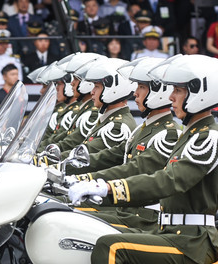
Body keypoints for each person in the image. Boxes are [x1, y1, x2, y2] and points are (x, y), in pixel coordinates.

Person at [45, 54, 218, 264]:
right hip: (171, 232)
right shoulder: (192, 132)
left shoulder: (206, 137)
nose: (171, 95)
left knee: (110, 247)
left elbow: (167, 180)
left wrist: (105, 188)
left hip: (192, 243)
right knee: (91, 230)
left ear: (201, 91)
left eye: (180, 90)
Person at [67, 57, 180, 230]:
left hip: (144, 218)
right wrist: (65, 170)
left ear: (159, 91)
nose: (135, 93)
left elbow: (135, 169)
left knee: (73, 221)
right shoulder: (143, 129)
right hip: (127, 211)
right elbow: (107, 156)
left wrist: (92, 182)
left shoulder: (167, 135)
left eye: (141, 87)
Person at [53, 56, 138, 159]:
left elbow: (90, 156)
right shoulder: (107, 118)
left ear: (114, 89)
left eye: (97, 87)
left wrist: (52, 159)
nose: (92, 92)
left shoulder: (117, 127)